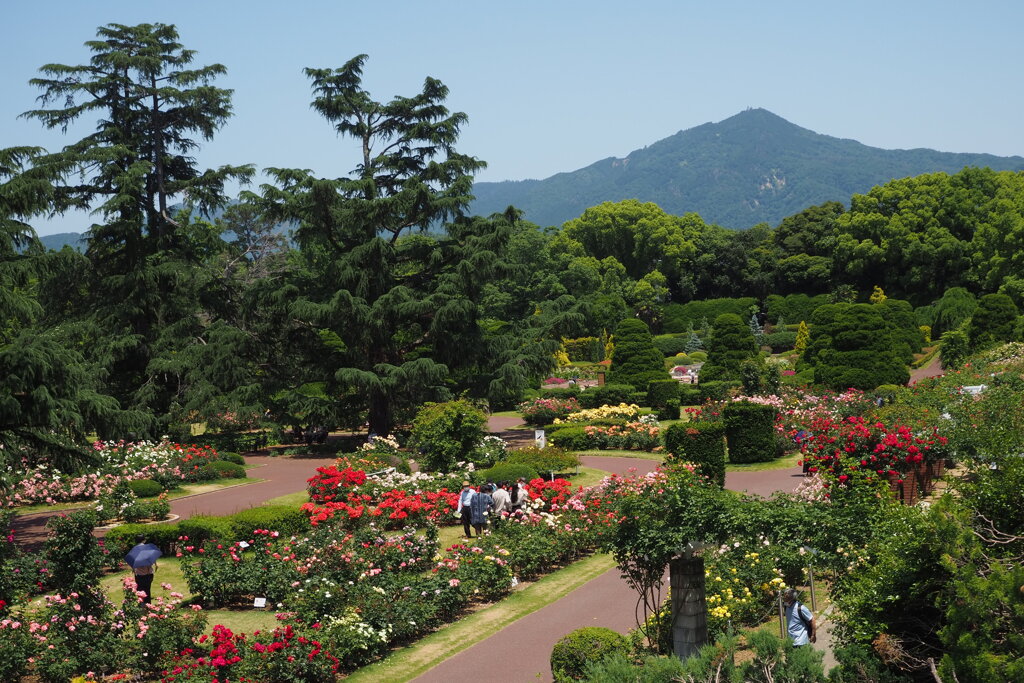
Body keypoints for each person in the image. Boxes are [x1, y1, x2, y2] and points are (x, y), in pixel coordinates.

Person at [128, 534, 157, 604]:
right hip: (149, 574)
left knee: (140, 591)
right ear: (144, 540)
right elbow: (152, 560)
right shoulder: (148, 548)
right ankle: (148, 605)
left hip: (139, 574)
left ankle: (142, 605)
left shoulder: (134, 550)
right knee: (147, 590)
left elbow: (131, 562)